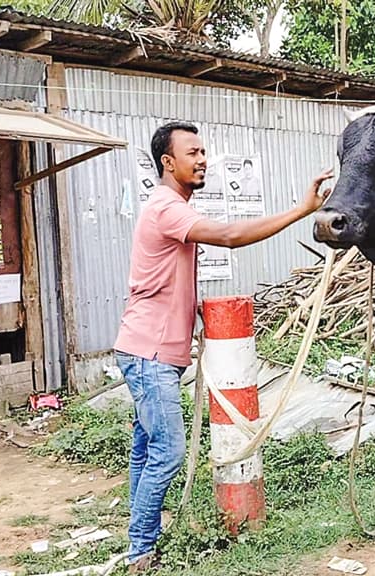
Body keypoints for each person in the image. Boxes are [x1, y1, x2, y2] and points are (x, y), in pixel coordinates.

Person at [112, 121, 334, 572]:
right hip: (149, 354)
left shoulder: (171, 209)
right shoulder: (166, 208)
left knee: (145, 448)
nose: (202, 159)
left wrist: (193, 312)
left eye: (203, 151)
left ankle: (140, 537)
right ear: (167, 163)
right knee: (168, 451)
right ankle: (140, 550)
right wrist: (301, 209)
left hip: (148, 349)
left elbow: (166, 279)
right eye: (192, 153)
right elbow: (230, 237)